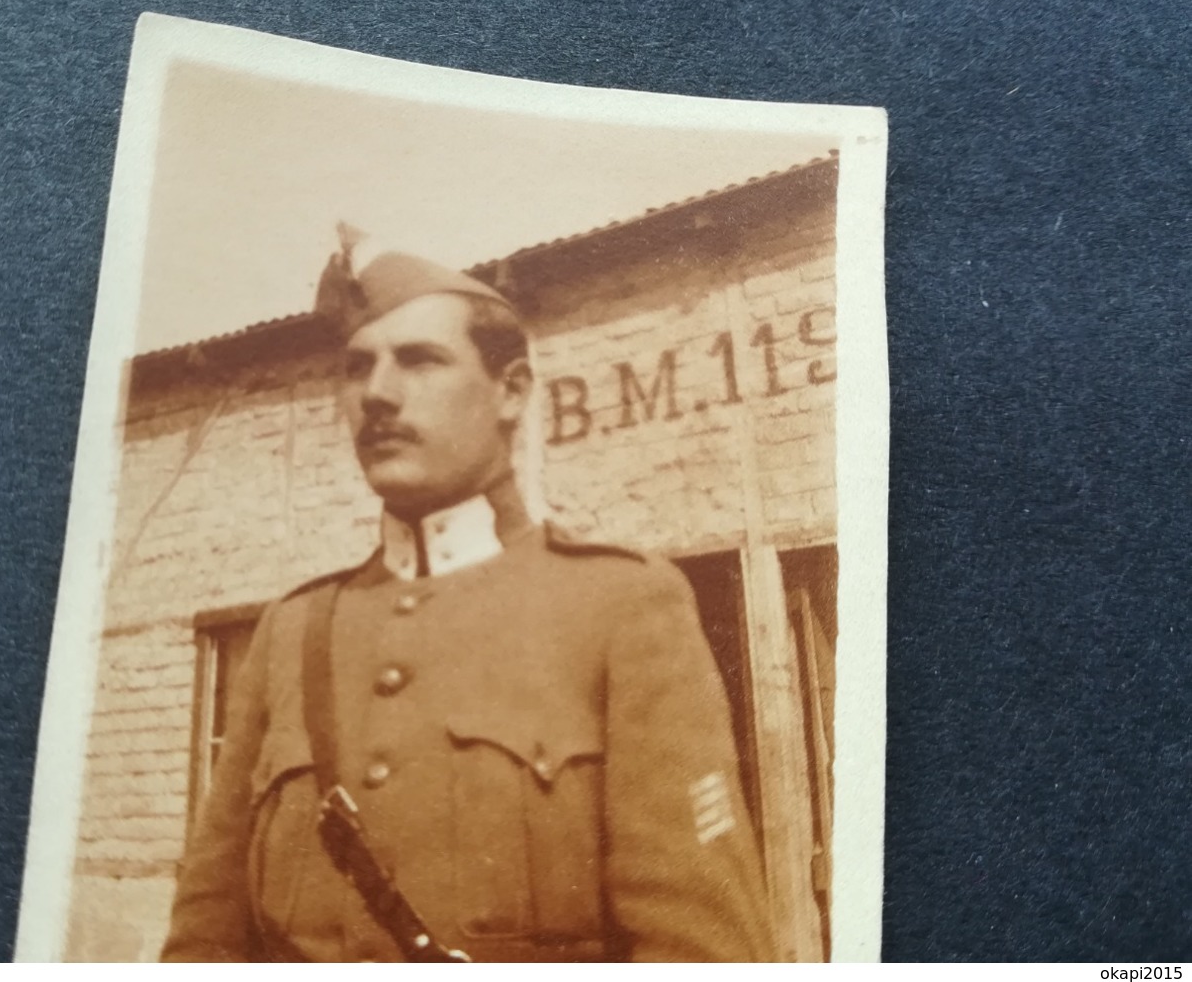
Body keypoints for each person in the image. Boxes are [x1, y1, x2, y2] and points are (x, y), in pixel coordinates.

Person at [159, 225, 776, 963]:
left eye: (419, 361)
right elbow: (204, 940)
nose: (377, 394)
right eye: (357, 369)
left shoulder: (621, 605)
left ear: (511, 391)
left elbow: (699, 950)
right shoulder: (293, 631)